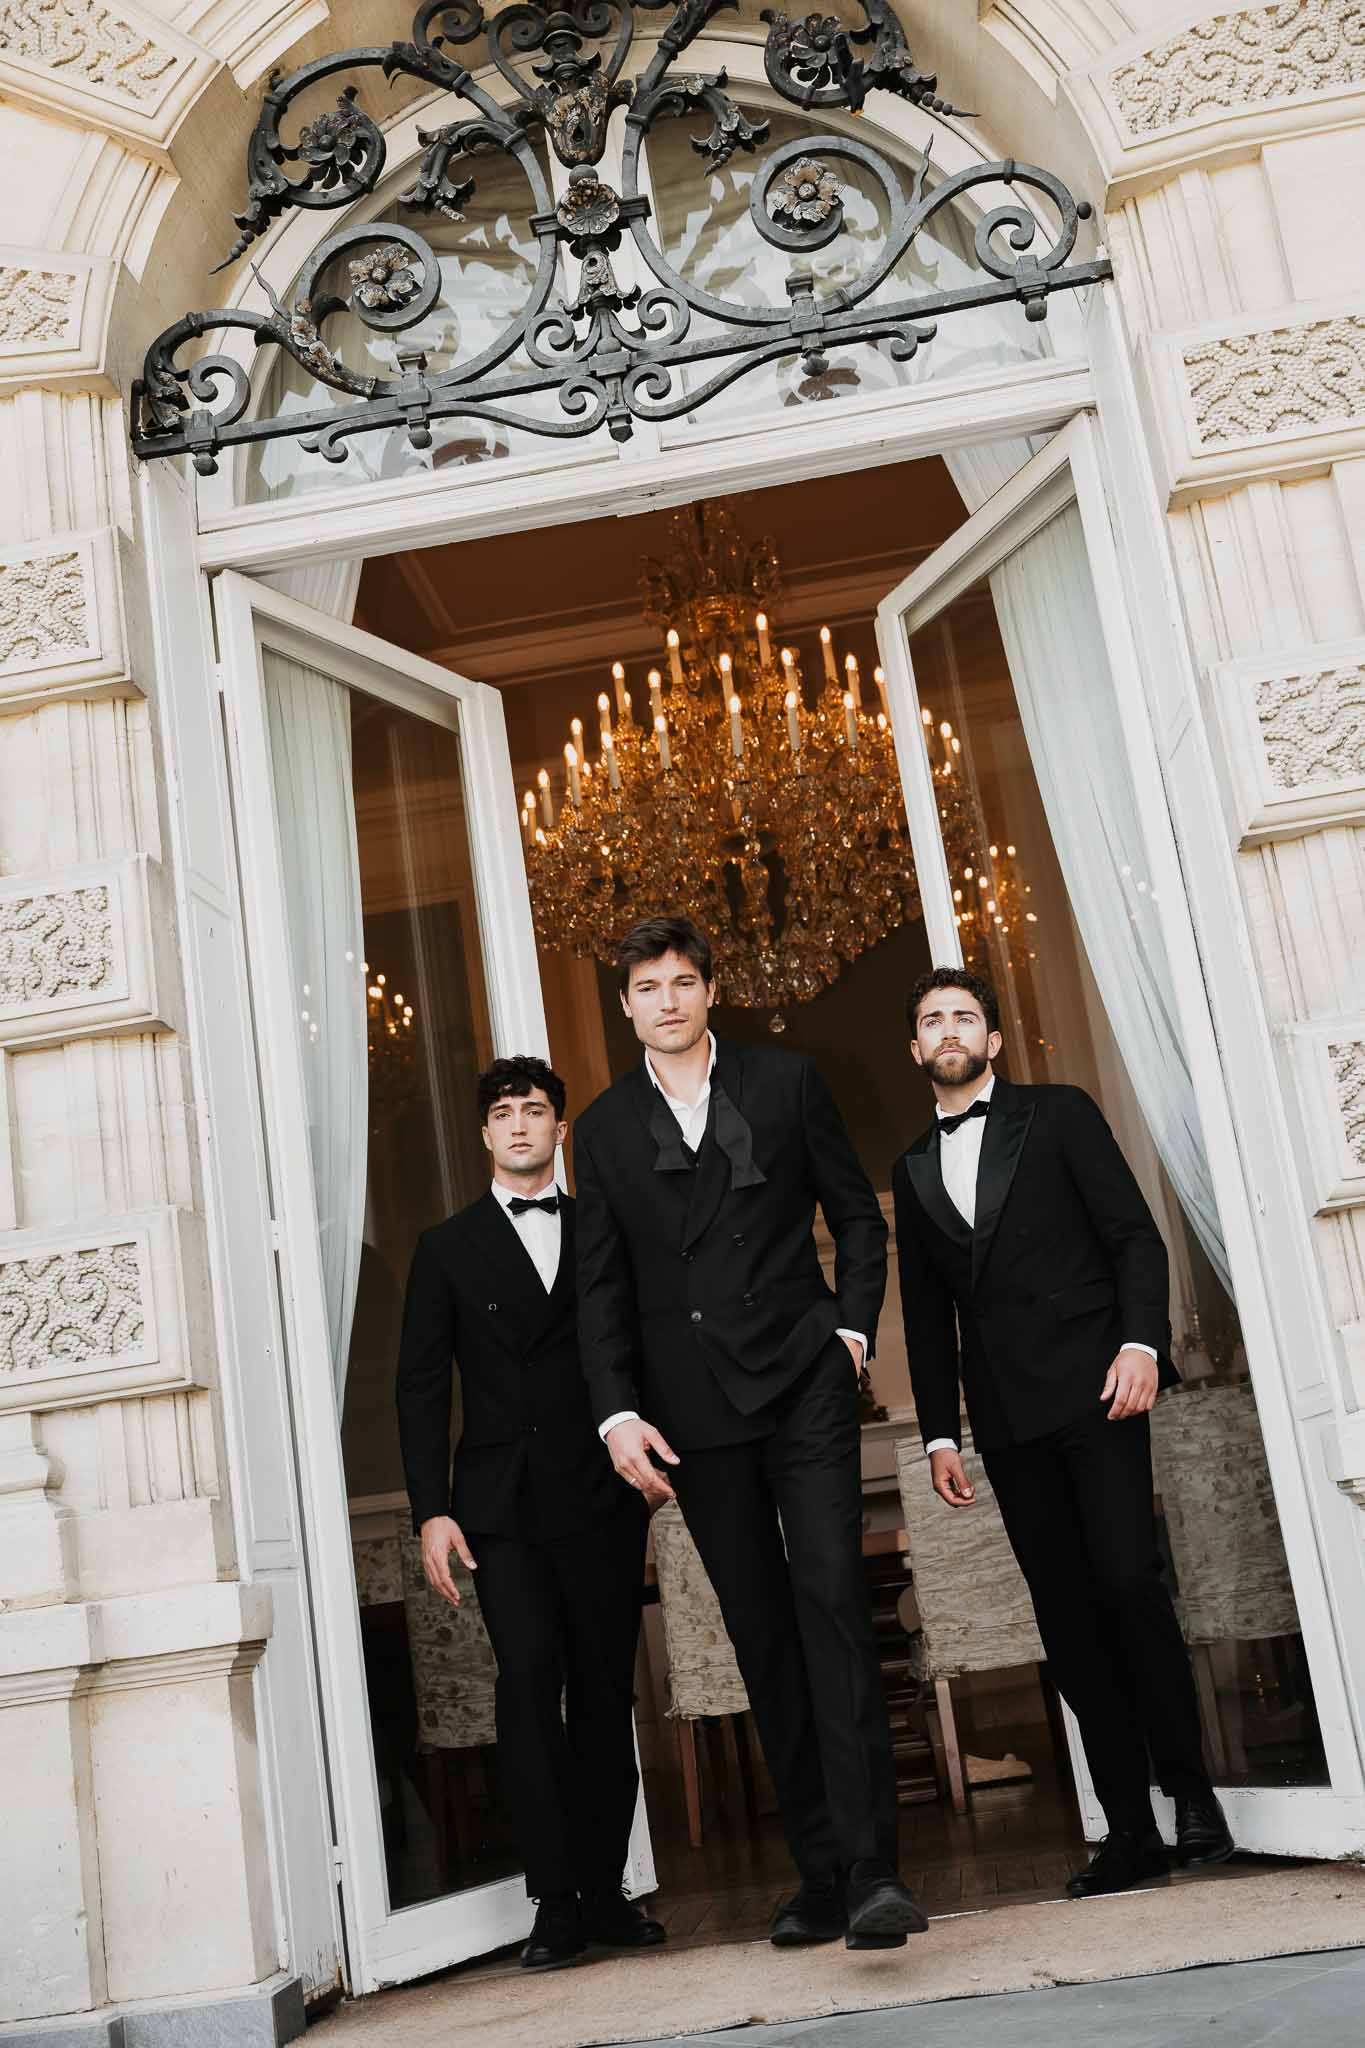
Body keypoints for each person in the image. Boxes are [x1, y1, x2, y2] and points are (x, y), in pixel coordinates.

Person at [574, 914, 926, 1950]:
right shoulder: (599, 1130)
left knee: (830, 1604)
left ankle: (873, 1870)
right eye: (649, 986)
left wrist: (851, 1329)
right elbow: (601, 1288)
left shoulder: (785, 1082)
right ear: (628, 1004)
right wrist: (618, 1412)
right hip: (694, 1417)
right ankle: (817, 1869)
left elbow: (858, 1218)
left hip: (805, 1385)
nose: (669, 999)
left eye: (685, 979)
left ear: (709, 989)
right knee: (763, 1637)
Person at [891, 965, 1235, 1897]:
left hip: (1098, 1395)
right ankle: (1127, 1831)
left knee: (1129, 1584)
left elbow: (1133, 1236)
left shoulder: (1061, 1113)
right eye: (932, 1019)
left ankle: (1193, 1797)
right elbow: (926, 1321)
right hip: (1006, 1420)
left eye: (965, 1014)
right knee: (1070, 1624)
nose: (949, 1028)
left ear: (993, 1041)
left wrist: (1141, 1344)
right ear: (916, 1049)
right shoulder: (911, 1168)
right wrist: (937, 1436)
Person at [395, 1055, 662, 1970]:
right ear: (484, 1134)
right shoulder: (446, 1247)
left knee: (602, 1691)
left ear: (557, 1129)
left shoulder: (602, 1229)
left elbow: (641, 1348)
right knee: (526, 1690)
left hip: (598, 1493)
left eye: (535, 1111)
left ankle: (605, 1892)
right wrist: (431, 1509)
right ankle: (552, 1902)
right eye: (503, 1113)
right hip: (500, 1508)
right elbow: (422, 1390)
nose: (518, 1125)